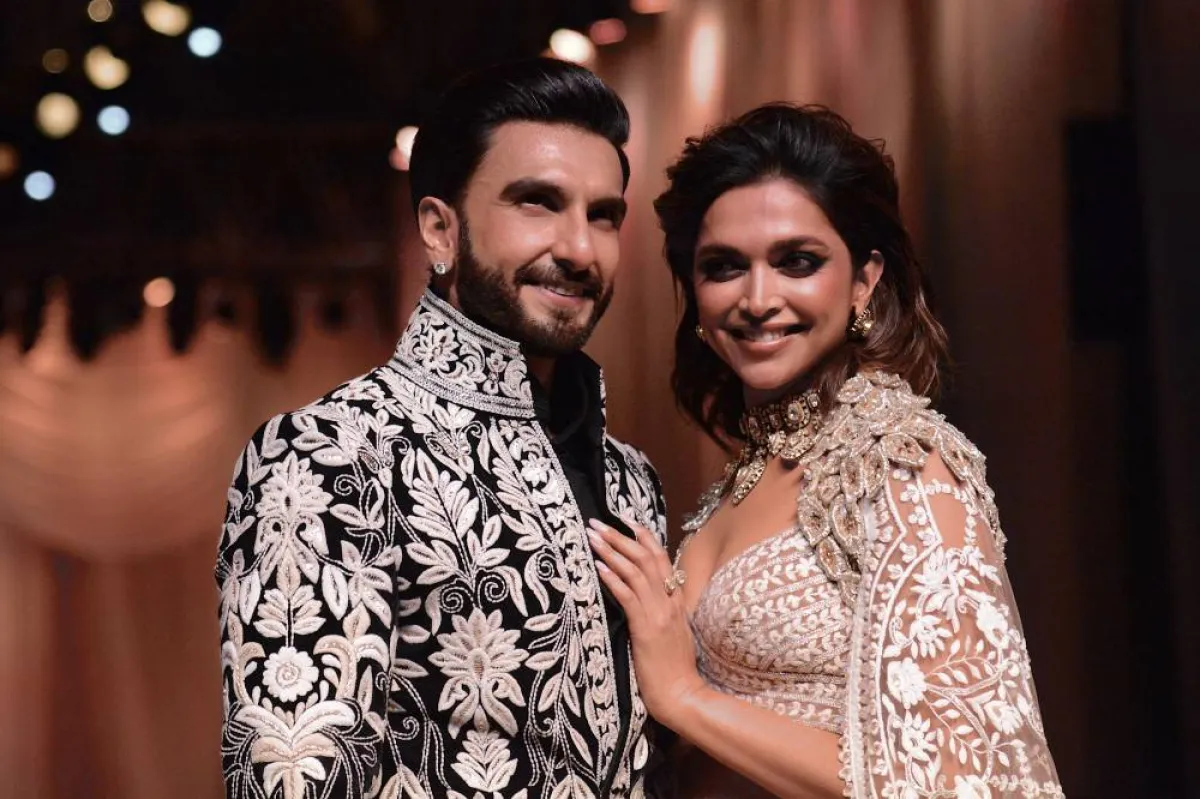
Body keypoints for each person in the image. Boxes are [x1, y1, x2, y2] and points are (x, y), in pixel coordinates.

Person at [216, 57, 670, 799]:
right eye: (538, 203)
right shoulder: (329, 454)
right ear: (439, 229)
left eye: (603, 215)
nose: (580, 249)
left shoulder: (632, 479)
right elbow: (294, 778)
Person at [586, 104, 1064, 798]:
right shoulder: (748, 474)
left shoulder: (902, 464)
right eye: (724, 266)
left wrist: (686, 698)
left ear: (864, 281)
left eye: (797, 262)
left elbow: (956, 776)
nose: (758, 298)